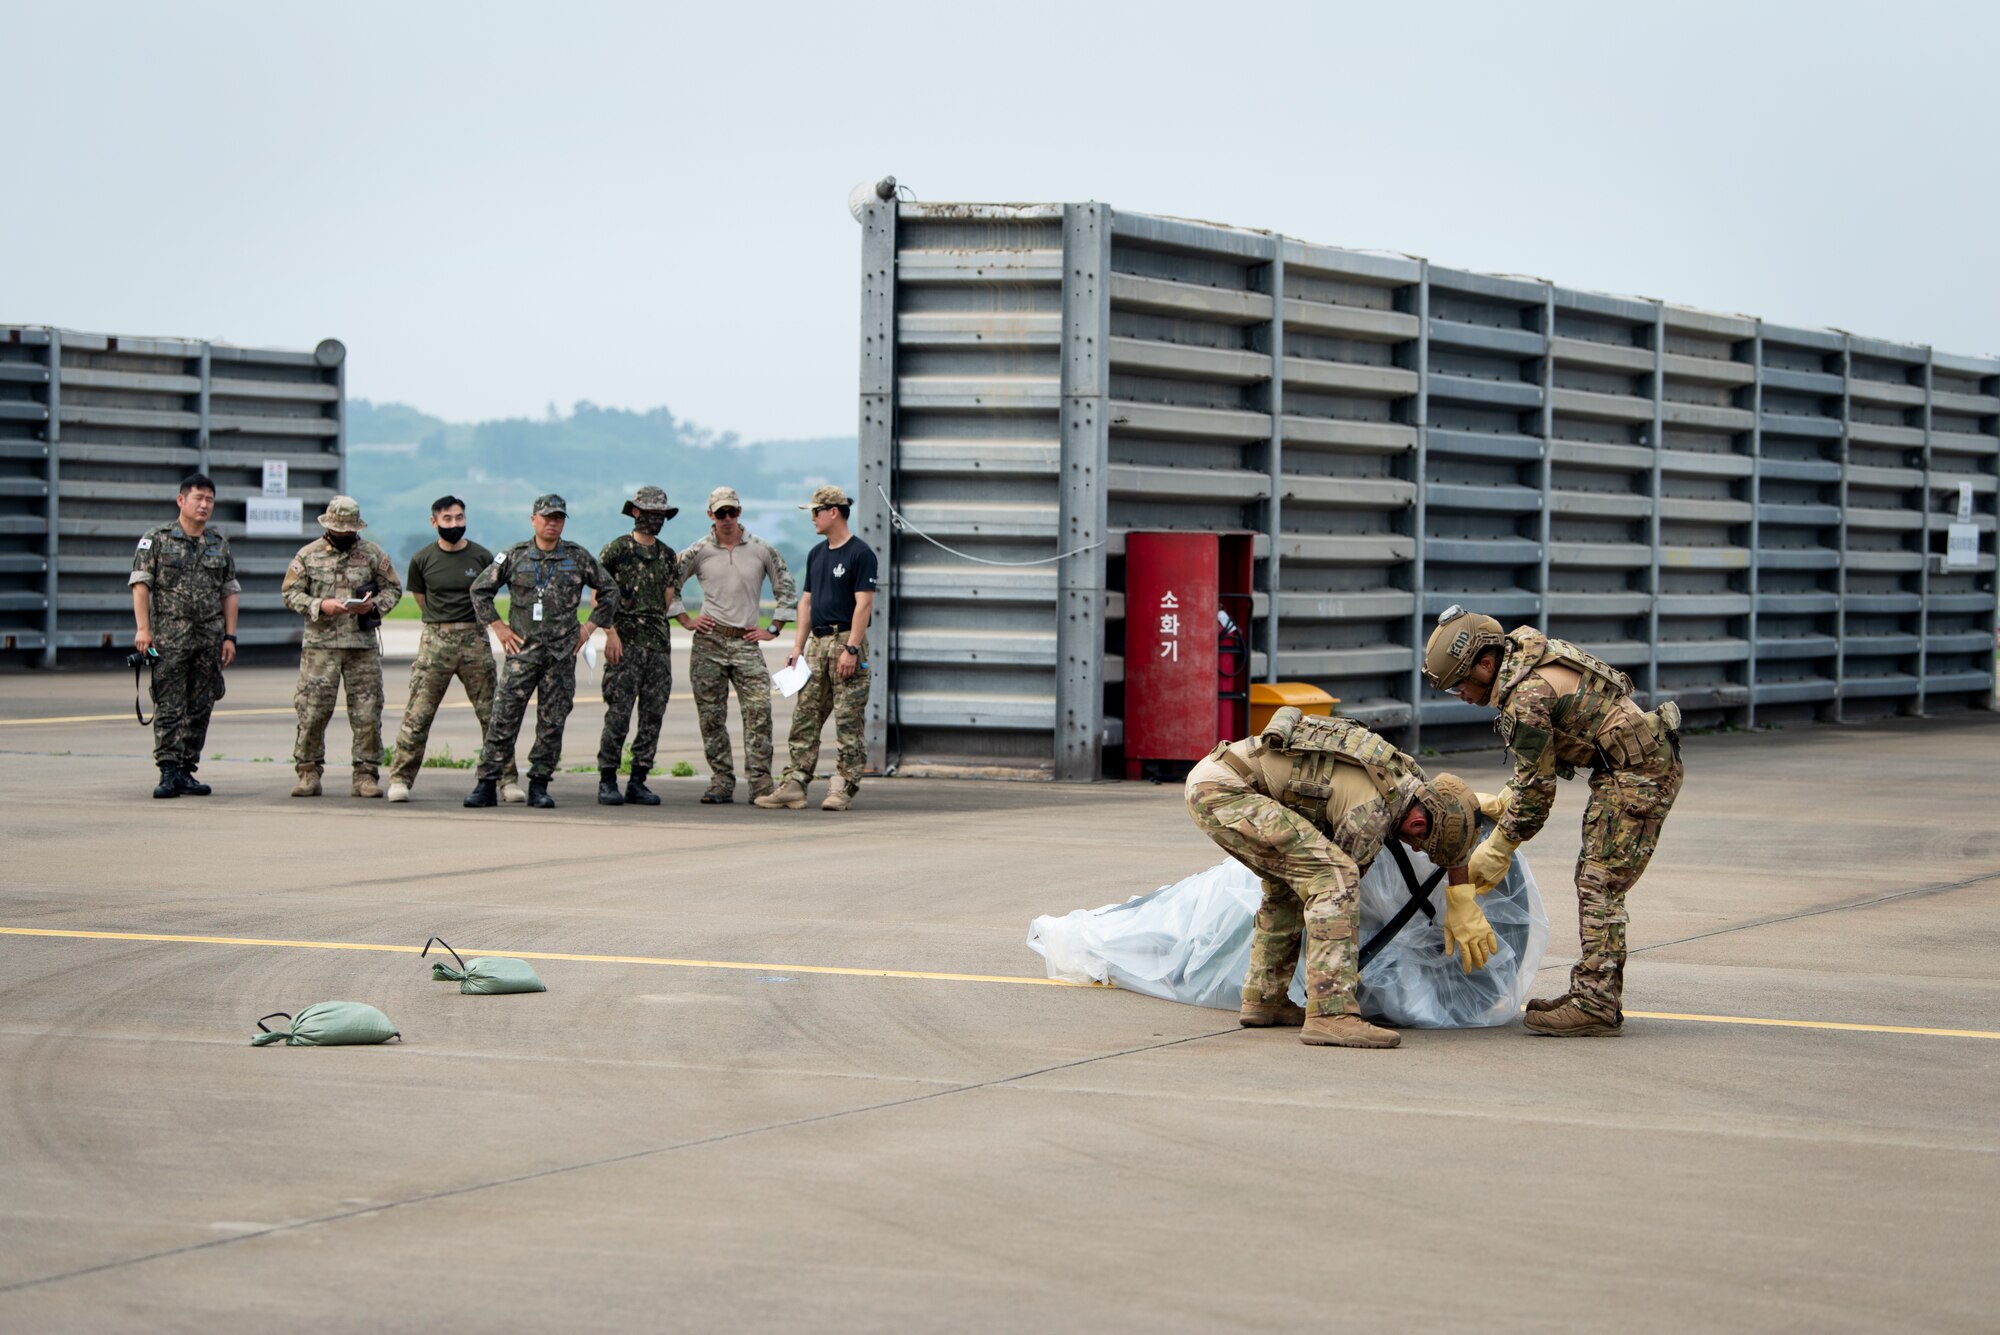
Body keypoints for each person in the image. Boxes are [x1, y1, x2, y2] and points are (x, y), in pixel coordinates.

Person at [1422, 606, 1685, 1037]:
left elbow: (1538, 795)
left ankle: (1595, 1004)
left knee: (1600, 884)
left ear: (1486, 665)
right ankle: (1593, 996)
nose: (1462, 696)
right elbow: (1558, 744)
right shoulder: (1531, 657)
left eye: (1459, 685)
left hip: (1637, 775)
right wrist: (1511, 797)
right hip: (1635, 763)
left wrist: (1501, 846)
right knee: (1596, 879)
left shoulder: (1525, 696)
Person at [1183, 707, 1489, 1049]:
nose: (1415, 848)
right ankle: (1331, 1016)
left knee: (1292, 884)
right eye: (1419, 843)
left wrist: (1461, 887)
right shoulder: (1370, 814)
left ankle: (1264, 999)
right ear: (1418, 824)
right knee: (1334, 879)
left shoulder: (1408, 777)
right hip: (1225, 793)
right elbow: (1337, 896)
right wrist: (1340, 967)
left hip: (1217, 779)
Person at [463, 494, 619, 810]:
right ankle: (486, 783)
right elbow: (480, 590)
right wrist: (498, 627)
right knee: (503, 719)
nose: (553, 523)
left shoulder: (577, 557)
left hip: (560, 656)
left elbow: (610, 590)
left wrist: (589, 628)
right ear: (533, 519)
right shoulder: (513, 556)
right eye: (547, 517)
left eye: (558, 518)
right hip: (522, 654)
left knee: (552, 723)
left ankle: (539, 784)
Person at [384, 496, 521, 804]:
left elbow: (492, 593)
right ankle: (400, 779)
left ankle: (507, 779)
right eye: (448, 519)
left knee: (493, 715)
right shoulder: (422, 559)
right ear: (434, 522)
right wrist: (440, 624)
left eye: (459, 518)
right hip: (436, 642)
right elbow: (420, 598)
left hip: (475, 640)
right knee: (418, 714)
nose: (455, 524)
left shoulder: (482, 556)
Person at [756, 486, 875, 812]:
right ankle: (795, 783)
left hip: (844, 641)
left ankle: (842, 786)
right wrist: (797, 646)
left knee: (848, 721)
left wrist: (851, 650)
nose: (812, 518)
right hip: (816, 645)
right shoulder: (817, 554)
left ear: (833, 511)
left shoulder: (860, 554)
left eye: (816, 512)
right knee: (805, 717)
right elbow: (806, 601)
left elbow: (863, 605)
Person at [675, 486, 796, 803]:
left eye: (732, 512)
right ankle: (721, 781)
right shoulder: (698, 551)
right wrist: (685, 619)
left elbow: (786, 587)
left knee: (759, 712)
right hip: (709, 642)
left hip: (745, 641)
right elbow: (669, 583)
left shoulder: (760, 550)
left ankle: (759, 782)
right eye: (720, 513)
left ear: (740, 512)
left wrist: (774, 627)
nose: (727, 518)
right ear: (710, 515)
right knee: (711, 716)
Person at [279, 496, 402, 798]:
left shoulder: (373, 554)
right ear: (328, 526)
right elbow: (290, 593)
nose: (345, 535)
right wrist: (321, 605)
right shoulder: (307, 555)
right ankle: (308, 772)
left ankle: (365, 775)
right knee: (312, 712)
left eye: (350, 531)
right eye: (340, 530)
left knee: (367, 714)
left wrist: (373, 607)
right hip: (320, 649)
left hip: (361, 647)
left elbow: (394, 588)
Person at [128, 473, 239, 798]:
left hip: (208, 642)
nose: (204, 505)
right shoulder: (157, 540)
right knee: (170, 705)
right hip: (169, 641)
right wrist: (143, 629)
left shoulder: (219, 545)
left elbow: (229, 592)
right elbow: (140, 585)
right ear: (181, 501)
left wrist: (230, 637)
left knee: (202, 705)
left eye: (209, 500)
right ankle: (168, 771)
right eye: (198, 498)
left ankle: (187, 770)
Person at [595, 485, 683, 806]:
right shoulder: (616, 551)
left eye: (660, 515)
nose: (655, 519)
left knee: (652, 715)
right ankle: (607, 778)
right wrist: (611, 633)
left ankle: (638, 779)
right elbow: (600, 597)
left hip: (658, 645)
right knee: (618, 714)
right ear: (635, 512)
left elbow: (667, 599)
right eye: (650, 513)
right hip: (624, 643)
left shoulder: (667, 555)